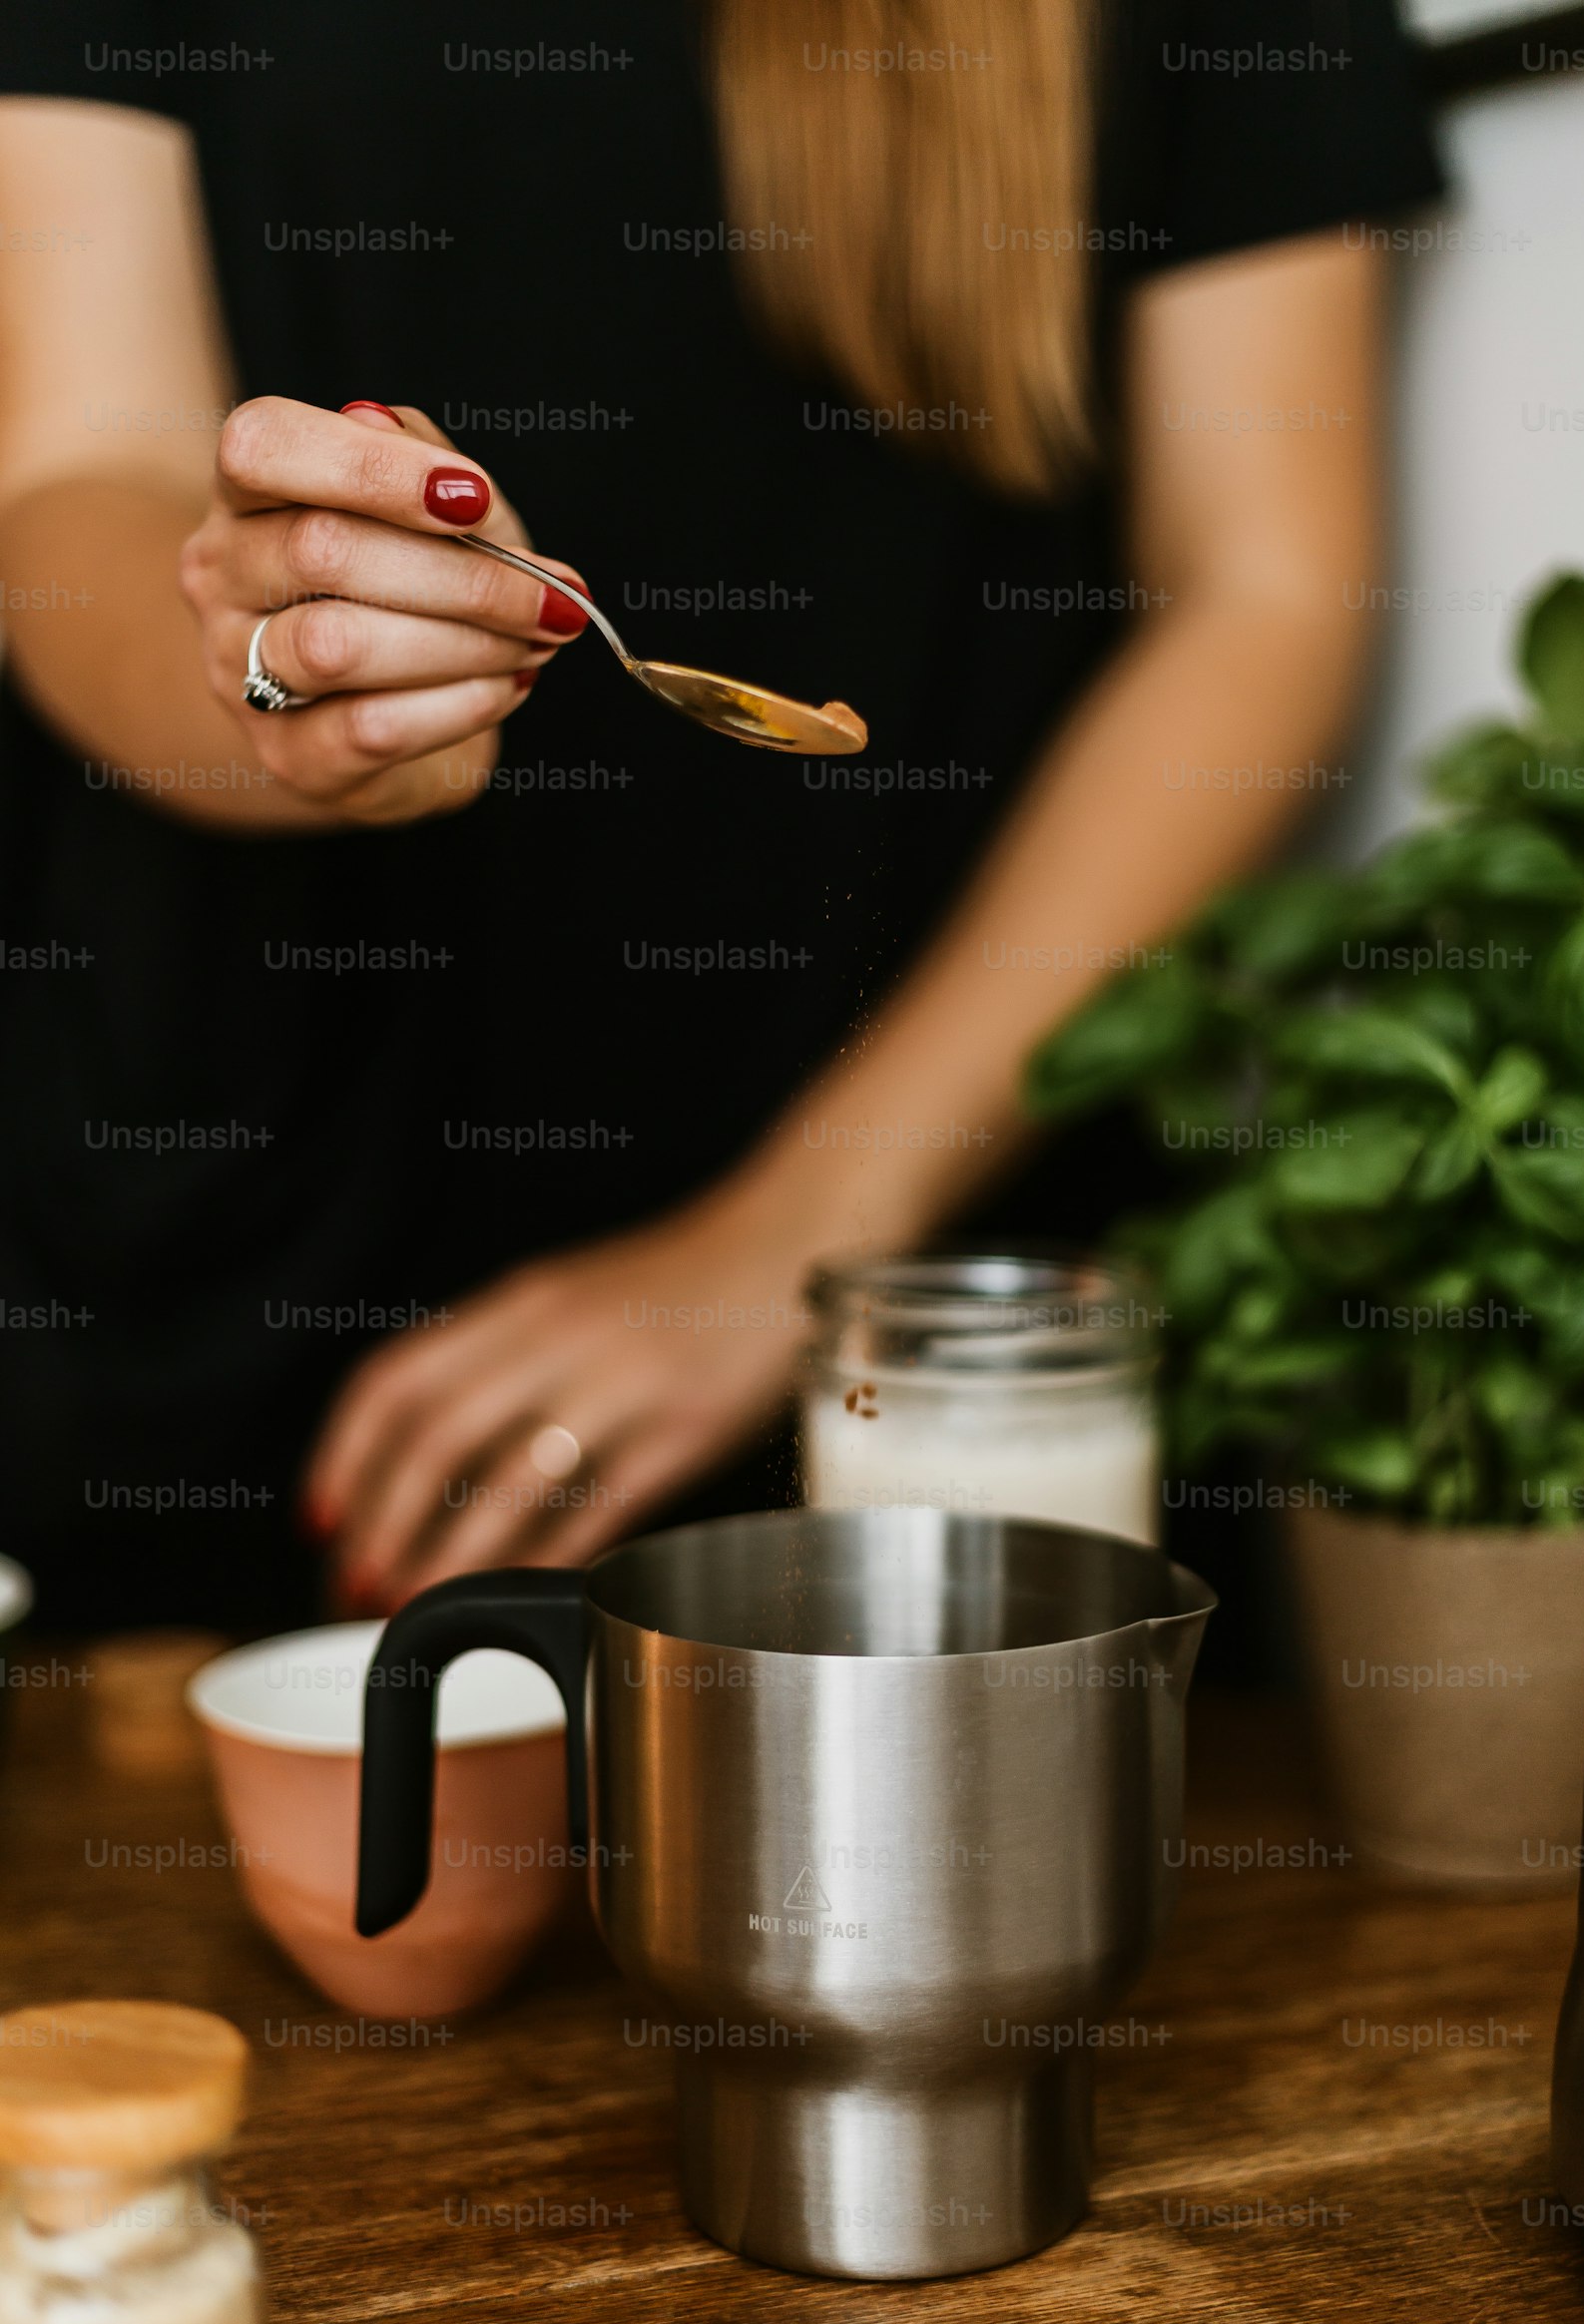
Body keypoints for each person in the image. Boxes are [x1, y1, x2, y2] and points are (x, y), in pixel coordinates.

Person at [0, 5, 1439, 1630]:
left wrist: (798, 1238)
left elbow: (1265, 595)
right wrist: (285, 686)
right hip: (233, 1280)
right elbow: (75, 479)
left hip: (947, 1348)